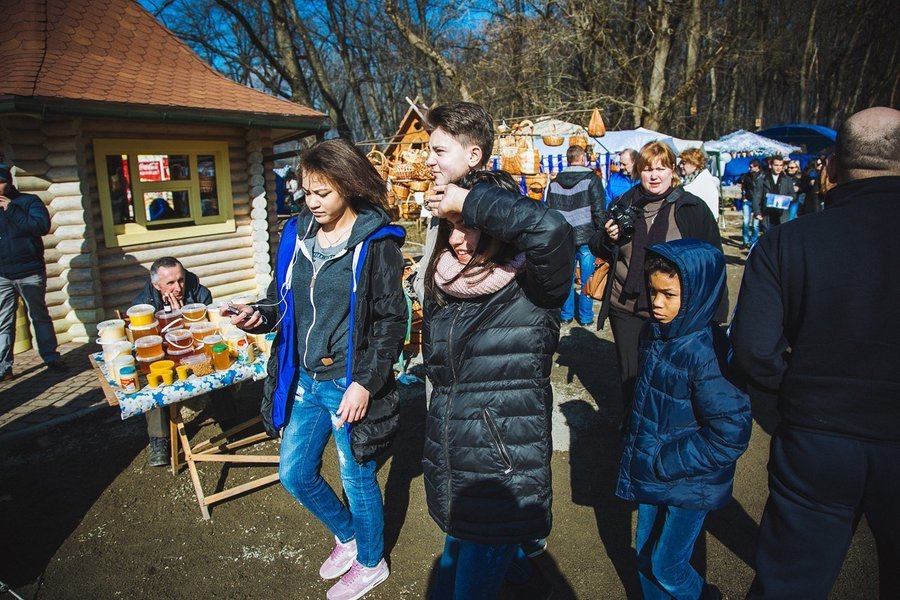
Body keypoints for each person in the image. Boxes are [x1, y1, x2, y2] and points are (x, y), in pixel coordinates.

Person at [730, 106, 900, 599]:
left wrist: (803, 388)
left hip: (816, 438)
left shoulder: (787, 241)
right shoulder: (785, 241)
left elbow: (754, 349)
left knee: (790, 584)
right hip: (826, 428)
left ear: (830, 167)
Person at [231, 138, 406, 600]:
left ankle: (372, 562)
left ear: (347, 186)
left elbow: (392, 321)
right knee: (294, 474)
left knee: (357, 476)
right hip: (304, 380)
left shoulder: (376, 243)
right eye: (306, 192)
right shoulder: (297, 233)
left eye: (321, 193)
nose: (312, 202)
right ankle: (348, 537)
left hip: (347, 383)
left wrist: (366, 383)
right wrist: (258, 315)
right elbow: (279, 299)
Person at [422, 168, 574, 600]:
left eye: (468, 226)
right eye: (451, 226)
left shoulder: (534, 286)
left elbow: (550, 228)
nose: (455, 239)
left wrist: (467, 201)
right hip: (455, 463)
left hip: (502, 468)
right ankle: (529, 580)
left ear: (497, 225)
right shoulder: (448, 282)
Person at [617, 240, 751, 600]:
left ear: (698, 294)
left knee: (667, 564)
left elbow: (730, 433)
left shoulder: (708, 354)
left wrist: (667, 460)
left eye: (669, 294)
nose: (657, 303)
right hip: (652, 469)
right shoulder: (656, 333)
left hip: (691, 481)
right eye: (653, 291)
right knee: (645, 555)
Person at [589, 141, 727, 428]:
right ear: (638, 171)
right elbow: (597, 246)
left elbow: (713, 259)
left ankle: (661, 428)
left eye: (661, 168)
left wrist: (717, 312)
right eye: (647, 169)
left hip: (673, 310)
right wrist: (608, 238)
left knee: (667, 375)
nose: (654, 175)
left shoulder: (691, 208)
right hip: (625, 305)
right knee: (630, 373)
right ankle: (631, 426)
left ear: (672, 171)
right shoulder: (623, 203)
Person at [131, 257, 213, 466]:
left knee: (216, 363)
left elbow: (208, 331)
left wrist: (185, 314)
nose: (178, 287)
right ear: (156, 285)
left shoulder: (199, 293)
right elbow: (144, 342)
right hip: (164, 355)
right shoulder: (143, 305)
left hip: (195, 351)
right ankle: (159, 440)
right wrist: (170, 317)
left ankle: (228, 418)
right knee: (153, 379)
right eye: (171, 283)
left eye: (181, 280)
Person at [413, 102, 495, 304]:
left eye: (440, 152)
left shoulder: (495, 211)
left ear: (473, 155)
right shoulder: (439, 201)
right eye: (430, 151)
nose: (429, 161)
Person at [0, 162, 66, 382]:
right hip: (3, 274)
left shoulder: (28, 202)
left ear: (8, 182)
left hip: (30, 271)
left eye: (0, 182)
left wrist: (12, 210)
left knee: (39, 316)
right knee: (4, 321)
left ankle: (51, 357)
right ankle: (4, 367)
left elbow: (40, 227)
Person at [545, 144, 606, 326]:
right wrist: (601, 234)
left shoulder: (554, 182)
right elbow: (599, 209)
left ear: (569, 159)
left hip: (564, 237)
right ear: (582, 159)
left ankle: (566, 315)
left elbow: (550, 212)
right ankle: (586, 318)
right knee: (587, 279)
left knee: (566, 279)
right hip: (587, 236)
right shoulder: (591, 179)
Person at [751, 155, 795, 232]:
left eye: (781, 165)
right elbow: (756, 197)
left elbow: (793, 194)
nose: (778, 168)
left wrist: (790, 198)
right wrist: (757, 212)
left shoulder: (787, 180)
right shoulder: (762, 179)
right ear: (770, 165)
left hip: (782, 214)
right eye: (776, 165)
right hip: (767, 214)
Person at [679, 147, 721, 219]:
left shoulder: (704, 184)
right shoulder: (692, 181)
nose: (680, 166)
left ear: (694, 164)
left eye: (683, 163)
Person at [738, 159, 762, 248]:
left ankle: (753, 241)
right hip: (747, 200)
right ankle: (745, 241)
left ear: (757, 167)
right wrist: (744, 197)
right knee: (746, 222)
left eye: (752, 167)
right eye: (750, 166)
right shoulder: (746, 176)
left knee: (755, 224)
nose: (750, 168)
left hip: (757, 202)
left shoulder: (762, 176)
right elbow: (743, 187)